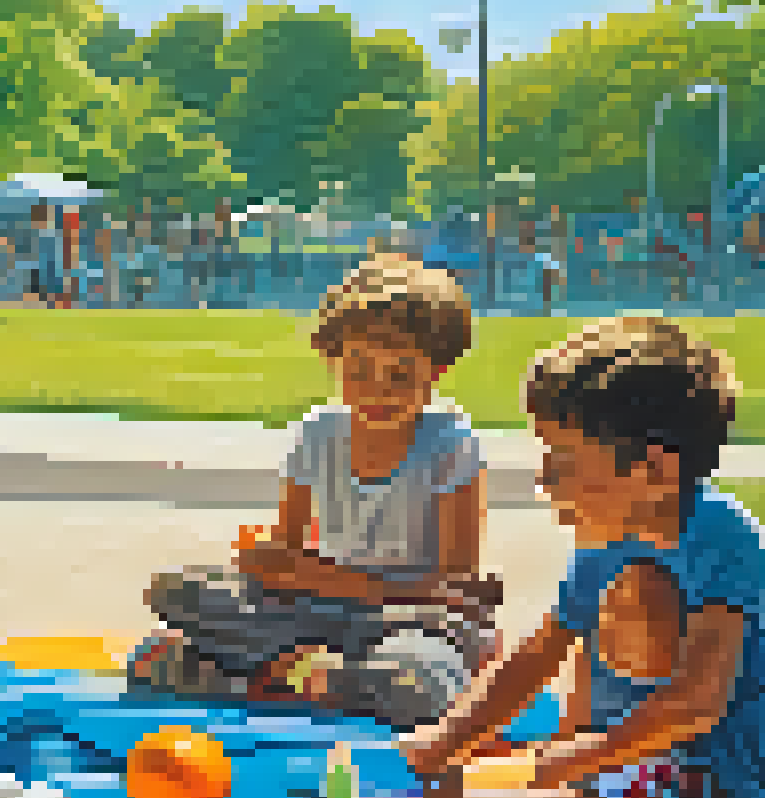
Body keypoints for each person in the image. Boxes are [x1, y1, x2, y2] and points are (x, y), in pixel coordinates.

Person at [400, 317, 765, 798]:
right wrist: (448, 739)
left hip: (746, 762)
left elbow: (699, 700)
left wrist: (584, 757)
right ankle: (602, 780)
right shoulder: (606, 535)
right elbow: (537, 656)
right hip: (663, 741)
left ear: (655, 472)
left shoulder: (722, 537)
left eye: (564, 460)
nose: (544, 479)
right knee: (614, 605)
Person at [129, 253, 501, 728]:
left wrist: (342, 583)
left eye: (401, 376)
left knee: (422, 688)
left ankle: (261, 677)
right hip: (316, 612)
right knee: (177, 589)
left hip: (411, 619)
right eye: (359, 371)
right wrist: (270, 562)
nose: (377, 391)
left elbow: (456, 582)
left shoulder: (449, 443)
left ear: (438, 369)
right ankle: (316, 677)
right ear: (332, 359)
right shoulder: (318, 433)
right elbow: (284, 553)